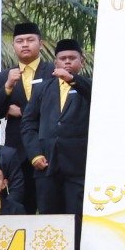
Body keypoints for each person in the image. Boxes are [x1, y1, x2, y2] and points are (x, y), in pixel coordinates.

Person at [22, 38, 93, 235]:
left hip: (77, 165)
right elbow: (28, 123)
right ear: (55, 63)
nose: (67, 62)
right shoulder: (42, 89)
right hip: (46, 164)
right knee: (49, 218)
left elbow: (96, 98)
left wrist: (72, 79)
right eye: (63, 58)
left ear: (82, 61)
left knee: (77, 217)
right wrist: (35, 154)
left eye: (72, 58)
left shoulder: (89, 87)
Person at [0, 21, 55, 212]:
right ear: (14, 46)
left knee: (50, 205)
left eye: (30, 40)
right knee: (19, 206)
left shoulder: (52, 72)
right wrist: (8, 87)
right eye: (19, 41)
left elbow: (56, 107)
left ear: (40, 44)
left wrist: (22, 111)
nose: (25, 44)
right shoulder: (3, 77)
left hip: (47, 147)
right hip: (16, 150)